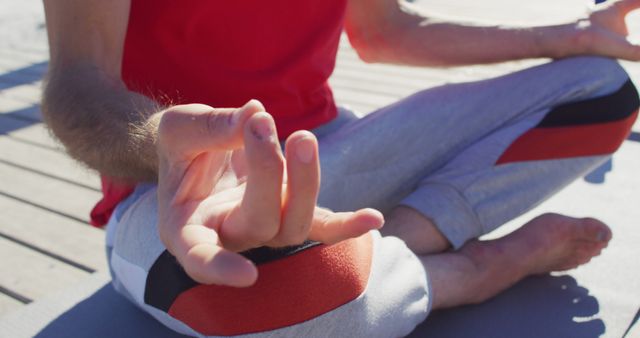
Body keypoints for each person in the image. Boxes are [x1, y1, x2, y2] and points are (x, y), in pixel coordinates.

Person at [41, 0, 639, 336]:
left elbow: (386, 31)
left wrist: (567, 35)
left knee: (602, 90)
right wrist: (163, 146)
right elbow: (77, 82)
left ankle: (395, 244)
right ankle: (471, 269)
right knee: (241, 298)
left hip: (331, 145)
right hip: (175, 193)